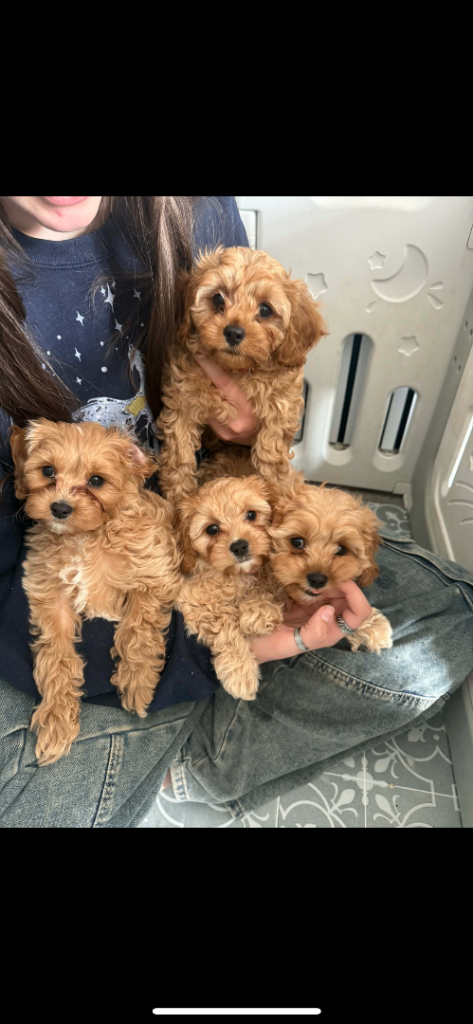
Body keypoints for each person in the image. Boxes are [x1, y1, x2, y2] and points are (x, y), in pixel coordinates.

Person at [0, 195, 472, 828]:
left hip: (223, 526)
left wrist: (253, 436)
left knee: (452, 610)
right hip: (79, 583)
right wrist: (192, 648)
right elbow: (27, 579)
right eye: (217, 303)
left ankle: (181, 721)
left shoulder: (191, 210)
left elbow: (268, 411)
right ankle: (188, 703)